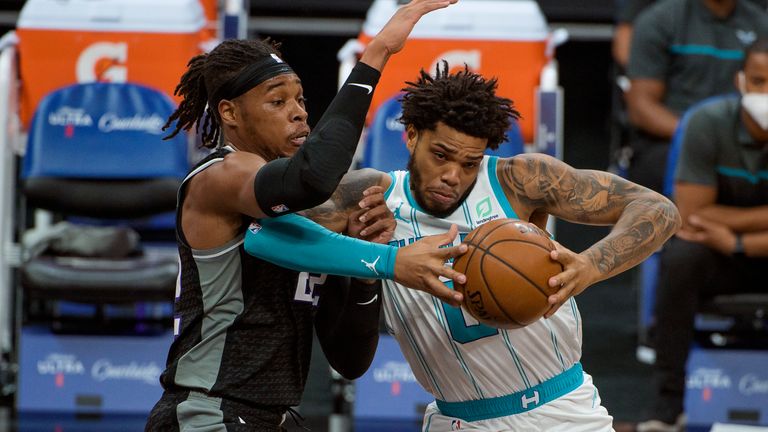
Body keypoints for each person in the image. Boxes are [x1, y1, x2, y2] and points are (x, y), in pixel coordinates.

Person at [246, 62, 682, 430]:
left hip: (561, 413)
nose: (453, 174)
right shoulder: (367, 198)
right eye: (441, 155)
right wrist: (368, 257)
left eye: (469, 162)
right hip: (454, 419)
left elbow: (657, 209)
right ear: (411, 136)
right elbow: (263, 232)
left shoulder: (519, 180)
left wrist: (590, 266)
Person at [145, 1, 468, 431]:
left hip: (273, 417)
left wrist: (367, 269)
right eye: (277, 101)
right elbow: (312, 178)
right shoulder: (221, 175)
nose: (299, 112)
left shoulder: (314, 216)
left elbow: (349, 360)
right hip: (207, 412)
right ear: (230, 113)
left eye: (300, 99)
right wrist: (377, 54)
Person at [639, 39, 768, 432]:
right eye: (760, 81)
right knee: (680, 259)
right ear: (741, 81)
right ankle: (670, 405)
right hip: (716, 254)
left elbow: (708, 215)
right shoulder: (707, 122)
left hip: (739, 245)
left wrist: (739, 240)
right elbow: (691, 215)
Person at [625, 0, 768, 193]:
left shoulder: (761, 22)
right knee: (662, 168)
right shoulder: (660, 19)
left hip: (750, 137)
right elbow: (641, 107)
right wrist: (699, 135)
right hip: (673, 137)